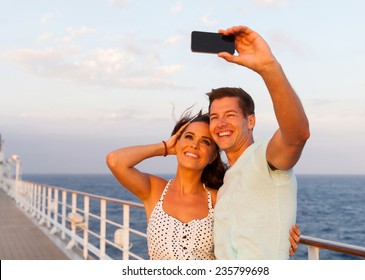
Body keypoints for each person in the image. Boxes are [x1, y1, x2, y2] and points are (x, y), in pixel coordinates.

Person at [106, 109, 300, 260]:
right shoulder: (154, 190)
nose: (195, 145)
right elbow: (115, 161)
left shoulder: (218, 198)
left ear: (212, 155)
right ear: (177, 142)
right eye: (189, 137)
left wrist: (284, 235)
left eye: (205, 142)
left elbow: (257, 221)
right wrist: (165, 147)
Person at [208, 26, 310, 259]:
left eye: (230, 115)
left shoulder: (264, 157)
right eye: (214, 117)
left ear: (250, 120)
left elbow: (297, 135)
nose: (221, 123)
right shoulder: (226, 183)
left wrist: (268, 68)